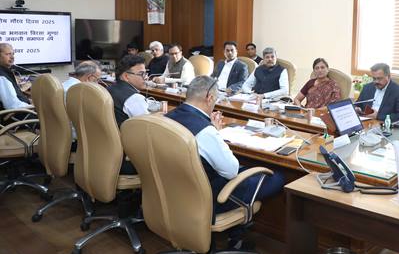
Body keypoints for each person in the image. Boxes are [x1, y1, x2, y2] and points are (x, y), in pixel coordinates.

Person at [165, 76, 285, 217]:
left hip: (173, 193)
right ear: (210, 98)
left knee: (246, 169)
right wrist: (214, 132)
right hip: (207, 199)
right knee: (278, 177)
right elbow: (231, 171)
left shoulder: (167, 117)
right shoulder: (205, 131)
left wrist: (211, 129)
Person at [107, 55, 150, 128]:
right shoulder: (134, 98)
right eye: (142, 74)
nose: (146, 77)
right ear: (126, 76)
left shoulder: (109, 88)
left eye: (146, 73)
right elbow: (148, 127)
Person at [0, 43, 32, 110]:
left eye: (13, 54)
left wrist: (30, 101)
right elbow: (12, 105)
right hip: (20, 114)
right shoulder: (2, 77)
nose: (12, 57)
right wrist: (34, 106)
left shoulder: (6, 72)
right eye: (8, 54)